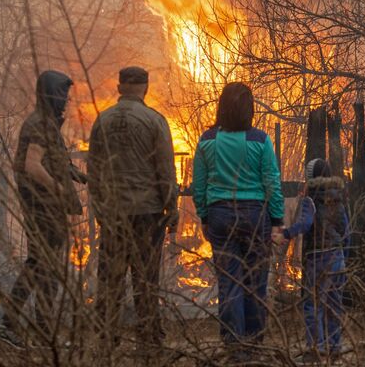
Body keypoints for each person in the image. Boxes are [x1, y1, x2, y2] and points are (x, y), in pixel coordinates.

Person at [192, 82, 284, 362]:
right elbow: (272, 182)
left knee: (229, 282)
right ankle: (255, 345)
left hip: (220, 215)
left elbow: (199, 184)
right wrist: (277, 220)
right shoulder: (260, 140)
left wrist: (204, 216)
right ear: (249, 108)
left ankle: (235, 348)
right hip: (255, 216)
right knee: (255, 283)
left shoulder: (207, 140)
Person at [87, 66, 178, 348]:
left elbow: (94, 169)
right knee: (146, 277)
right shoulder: (155, 120)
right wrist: (171, 206)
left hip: (114, 212)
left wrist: (101, 208)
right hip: (147, 212)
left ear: (119, 87)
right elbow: (165, 168)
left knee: (111, 277)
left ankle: (106, 335)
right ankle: (149, 338)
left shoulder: (102, 121)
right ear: (146, 88)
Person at [0, 70, 86, 349]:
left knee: (45, 266)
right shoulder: (39, 124)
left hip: (47, 207)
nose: (66, 101)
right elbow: (31, 165)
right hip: (42, 206)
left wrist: (73, 173)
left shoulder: (46, 123)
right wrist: (58, 189)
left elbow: (48, 159)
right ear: (51, 94)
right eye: (63, 95)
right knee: (38, 264)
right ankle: (8, 324)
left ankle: (45, 331)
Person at [272, 158, 349, 365]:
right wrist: (345, 257)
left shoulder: (311, 199)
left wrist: (286, 233)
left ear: (310, 178)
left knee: (312, 305)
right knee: (334, 306)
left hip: (318, 259)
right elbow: (345, 231)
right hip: (337, 258)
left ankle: (316, 348)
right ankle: (334, 347)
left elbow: (305, 224)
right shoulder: (337, 198)